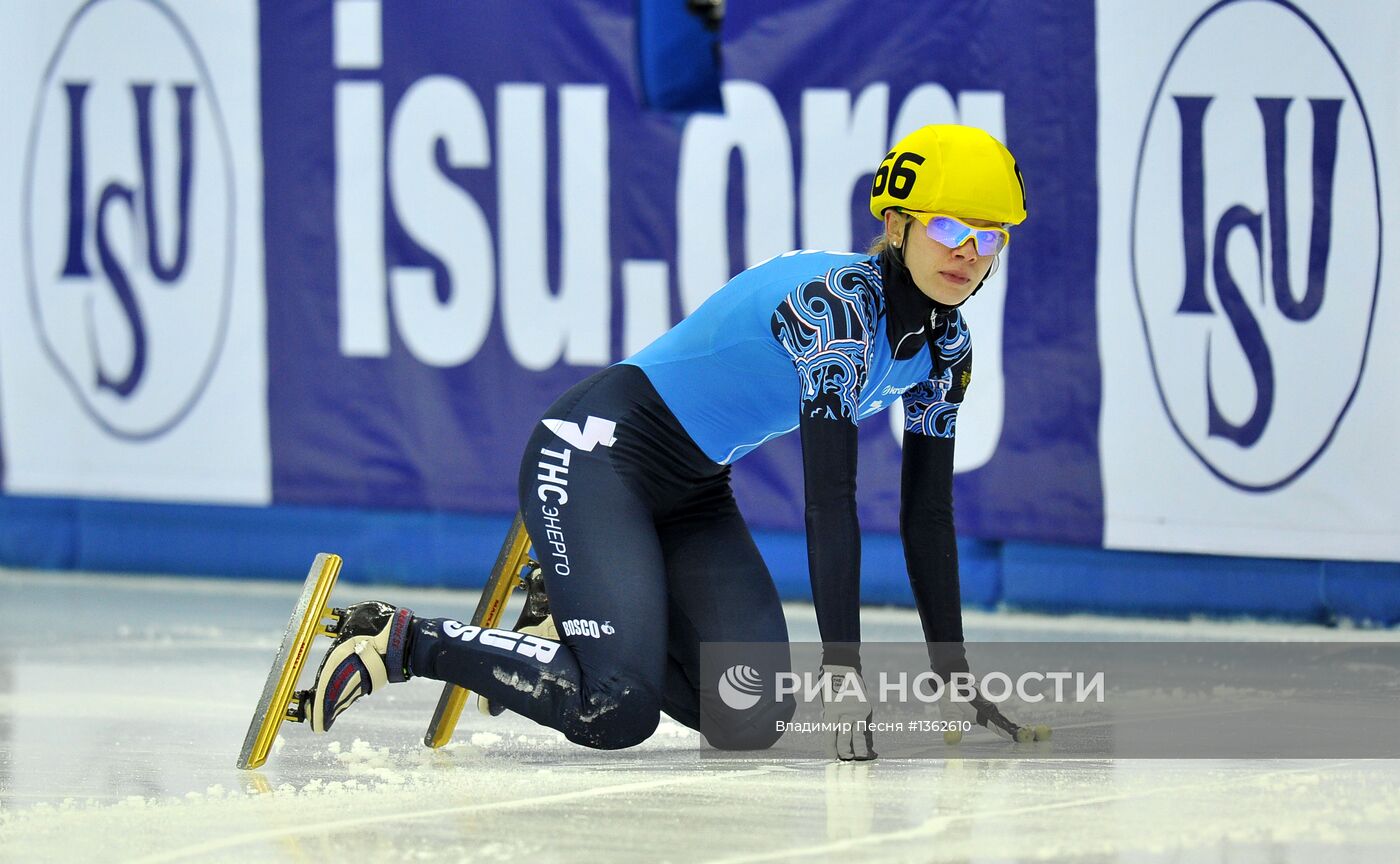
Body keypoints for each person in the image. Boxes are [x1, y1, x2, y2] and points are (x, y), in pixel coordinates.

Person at [303, 124, 1033, 760]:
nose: (968, 252)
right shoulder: (836, 309)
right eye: (948, 228)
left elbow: (926, 516)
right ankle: (396, 638)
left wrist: (953, 671)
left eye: (989, 236)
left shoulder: (946, 349)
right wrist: (841, 665)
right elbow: (830, 501)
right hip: (595, 455)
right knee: (615, 710)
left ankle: (567, 610)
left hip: (693, 491)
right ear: (897, 225)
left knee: (750, 715)